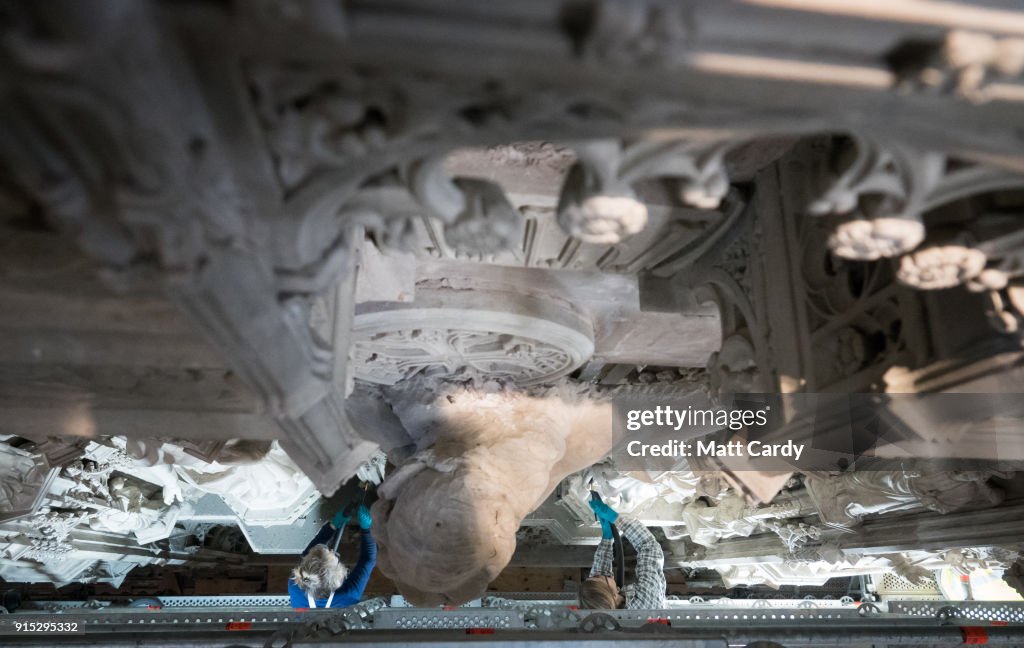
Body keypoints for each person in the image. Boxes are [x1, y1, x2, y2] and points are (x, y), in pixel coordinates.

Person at [579, 498, 667, 609]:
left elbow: (600, 577)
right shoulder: (645, 603)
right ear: (614, 595)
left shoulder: (606, 604)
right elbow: (649, 547)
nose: (598, 573)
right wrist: (617, 519)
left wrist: (607, 538)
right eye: (598, 577)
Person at [288, 503, 376, 609]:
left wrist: (332, 526)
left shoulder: (295, 583)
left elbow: (309, 554)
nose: (332, 550)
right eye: (334, 555)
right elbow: (367, 559)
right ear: (340, 579)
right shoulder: (348, 595)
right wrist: (367, 529)